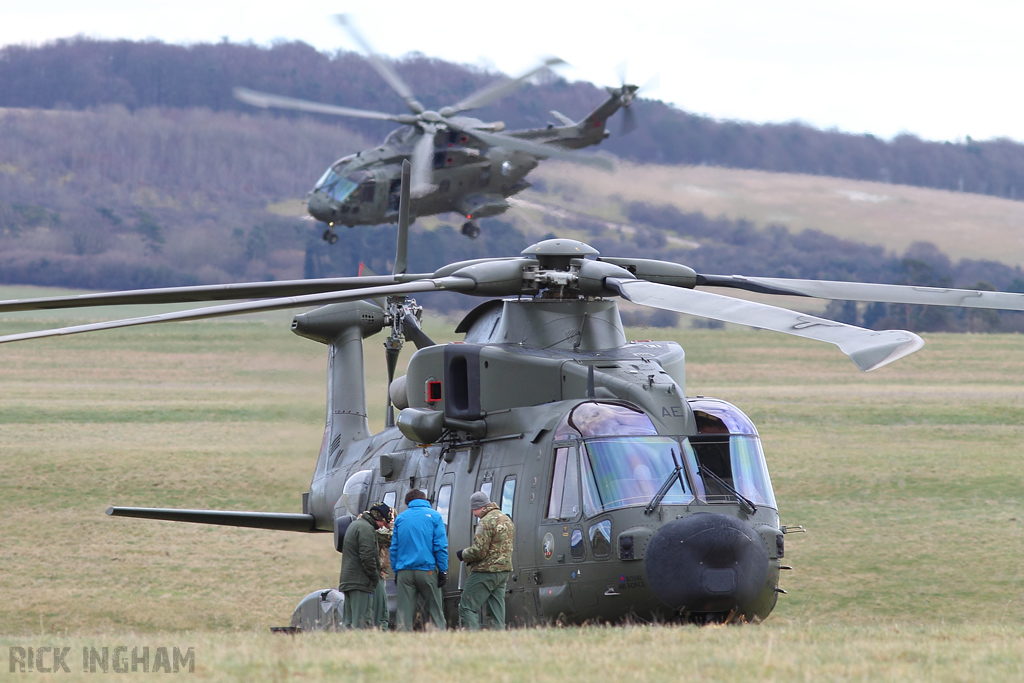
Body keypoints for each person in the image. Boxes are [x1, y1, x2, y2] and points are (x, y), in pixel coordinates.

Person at [390, 489, 448, 631]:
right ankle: (439, 640)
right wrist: (443, 570)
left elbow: (394, 548)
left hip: (404, 573)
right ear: (425, 500)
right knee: (435, 611)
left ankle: (403, 645)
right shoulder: (435, 517)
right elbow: (440, 546)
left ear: (408, 503)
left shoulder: (400, 518)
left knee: (404, 615)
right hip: (427, 571)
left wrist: (397, 571)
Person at [456, 491, 515, 630]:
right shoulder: (506, 519)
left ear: (478, 507)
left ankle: (473, 642)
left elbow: (479, 551)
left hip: (485, 572)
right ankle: (499, 643)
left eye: (473, 510)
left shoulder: (485, 522)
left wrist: (463, 554)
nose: (473, 513)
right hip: (503, 572)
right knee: (496, 613)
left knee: (466, 607)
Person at [338, 502, 391, 630]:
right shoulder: (366, 529)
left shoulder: (356, 525)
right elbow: (367, 557)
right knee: (361, 623)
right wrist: (374, 578)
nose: (383, 526)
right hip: (360, 583)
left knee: (349, 624)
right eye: (384, 522)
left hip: (349, 582)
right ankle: (360, 648)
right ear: (379, 518)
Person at [372, 505, 394, 630]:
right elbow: (390, 537)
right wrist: (391, 524)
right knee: (381, 612)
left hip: (381, 573)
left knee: (382, 610)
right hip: (377, 574)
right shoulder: (374, 529)